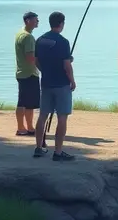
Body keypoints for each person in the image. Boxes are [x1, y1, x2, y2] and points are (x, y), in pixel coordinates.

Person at [32, 11, 76, 162]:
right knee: (62, 117)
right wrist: (72, 80)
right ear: (62, 24)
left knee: (43, 115)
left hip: (46, 83)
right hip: (61, 84)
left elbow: (36, 60)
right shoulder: (63, 42)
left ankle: (38, 148)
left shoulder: (40, 40)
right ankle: (57, 152)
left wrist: (45, 71)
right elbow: (66, 65)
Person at [14, 11, 40, 137]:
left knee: (28, 103)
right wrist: (42, 65)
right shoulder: (28, 37)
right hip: (29, 73)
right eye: (35, 20)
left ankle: (29, 127)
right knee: (24, 102)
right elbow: (30, 57)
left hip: (22, 72)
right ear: (27, 21)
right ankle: (21, 128)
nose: (37, 22)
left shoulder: (20, 33)